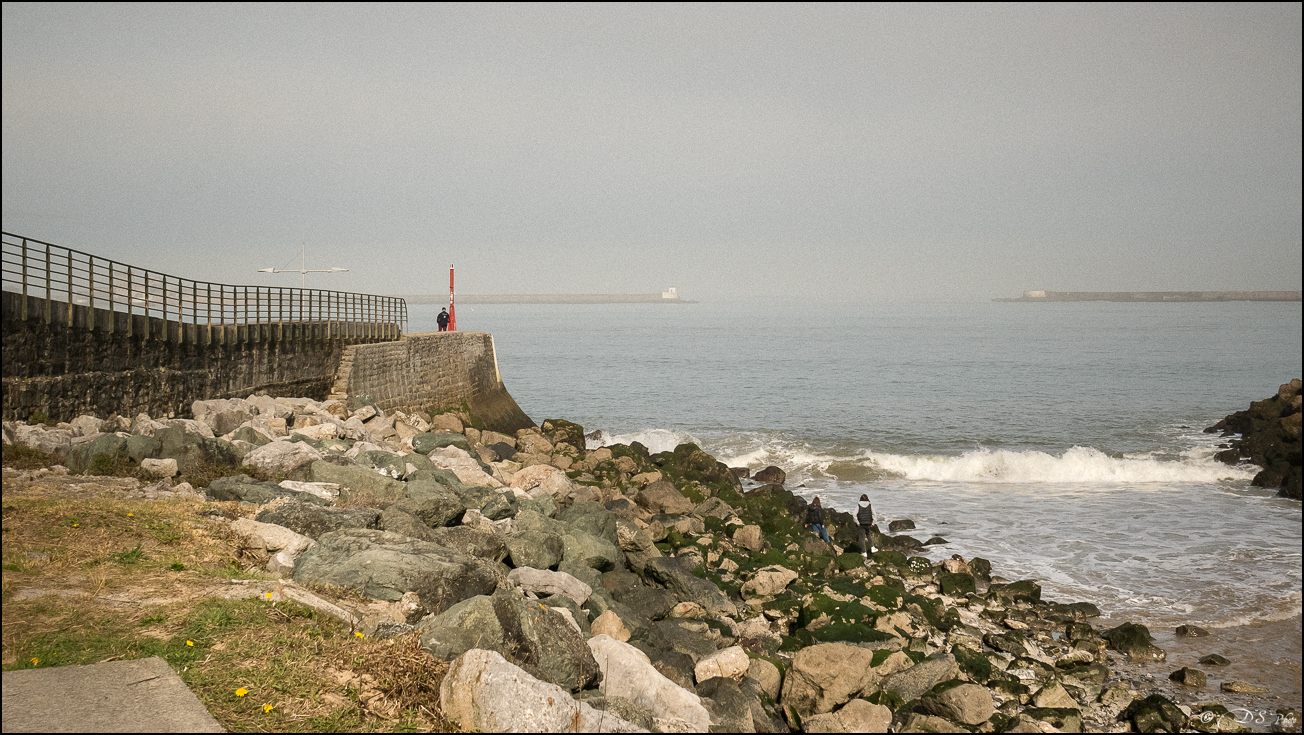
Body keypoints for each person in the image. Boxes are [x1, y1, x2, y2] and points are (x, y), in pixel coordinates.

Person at [856, 493, 875, 558]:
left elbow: (854, 515)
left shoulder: (858, 505)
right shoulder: (870, 505)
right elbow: (874, 514)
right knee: (868, 535)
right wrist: (873, 523)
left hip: (861, 524)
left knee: (862, 538)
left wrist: (857, 522)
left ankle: (864, 552)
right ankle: (872, 547)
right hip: (868, 523)